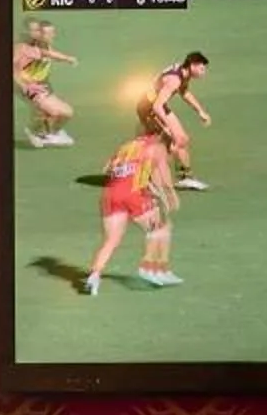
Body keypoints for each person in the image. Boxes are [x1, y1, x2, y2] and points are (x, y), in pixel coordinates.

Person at [83, 132, 181, 295]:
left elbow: (108, 168)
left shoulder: (125, 147)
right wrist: (169, 195)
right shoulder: (155, 148)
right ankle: (152, 270)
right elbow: (161, 175)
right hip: (132, 194)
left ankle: (94, 276)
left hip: (111, 194)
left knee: (111, 240)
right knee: (160, 229)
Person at [138, 50, 212, 187]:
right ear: (193, 65)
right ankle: (144, 177)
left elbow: (184, 92)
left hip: (157, 106)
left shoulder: (183, 73)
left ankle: (186, 177)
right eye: (202, 68)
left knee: (182, 139)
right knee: (171, 140)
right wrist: (168, 128)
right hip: (149, 109)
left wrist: (200, 111)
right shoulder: (174, 80)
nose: (204, 72)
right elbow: (157, 106)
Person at [13, 23, 77, 146]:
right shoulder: (23, 48)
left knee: (67, 113)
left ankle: (52, 133)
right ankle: (36, 131)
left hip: (43, 86)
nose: (53, 35)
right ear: (39, 34)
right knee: (52, 112)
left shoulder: (44, 47)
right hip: (31, 87)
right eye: (48, 33)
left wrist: (68, 59)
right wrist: (24, 85)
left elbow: (51, 54)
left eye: (53, 32)